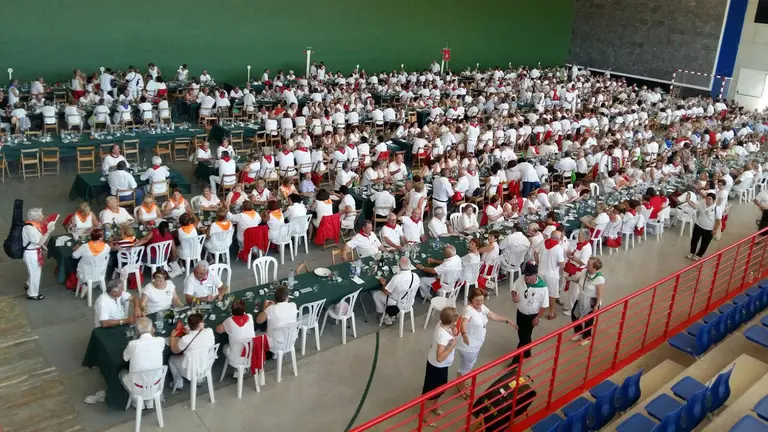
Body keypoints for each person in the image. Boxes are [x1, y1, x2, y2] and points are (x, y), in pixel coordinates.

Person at [455, 289, 517, 392]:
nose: (480, 303)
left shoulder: (482, 308)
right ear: (471, 299)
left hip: (474, 343)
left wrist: (507, 320)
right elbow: (463, 323)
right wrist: (464, 334)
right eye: (477, 300)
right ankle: (460, 388)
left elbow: (493, 316)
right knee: (466, 367)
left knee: (465, 366)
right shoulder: (469, 310)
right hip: (469, 345)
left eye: (481, 300)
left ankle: (461, 382)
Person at [421, 307, 459, 427]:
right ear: (451, 321)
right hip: (437, 366)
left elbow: (454, 332)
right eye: (455, 320)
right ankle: (425, 416)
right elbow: (440, 357)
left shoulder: (442, 324)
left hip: (442, 366)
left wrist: (453, 329)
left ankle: (434, 406)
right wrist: (452, 346)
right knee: (432, 392)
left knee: (440, 389)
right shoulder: (442, 336)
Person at [120, 317, 165, 408]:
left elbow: (125, 358)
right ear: (152, 329)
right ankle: (149, 401)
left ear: (137, 331)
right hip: (156, 385)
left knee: (122, 373)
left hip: (138, 388)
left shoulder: (133, 344)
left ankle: (136, 402)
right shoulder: (161, 340)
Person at [511, 263, 549, 361]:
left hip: (531, 316)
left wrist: (538, 318)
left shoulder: (543, 288)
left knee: (525, 337)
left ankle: (516, 360)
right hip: (520, 313)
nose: (526, 278)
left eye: (528, 276)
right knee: (521, 333)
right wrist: (514, 296)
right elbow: (514, 289)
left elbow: (544, 305)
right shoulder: (521, 279)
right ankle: (527, 353)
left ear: (534, 275)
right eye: (525, 275)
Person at [169, 312, 216, 390]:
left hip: (191, 369)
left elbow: (174, 350)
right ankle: (199, 379)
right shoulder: (209, 331)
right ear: (200, 324)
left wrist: (172, 337)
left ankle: (179, 383)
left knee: (171, 359)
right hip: (206, 364)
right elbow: (199, 335)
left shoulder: (185, 339)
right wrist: (190, 333)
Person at [22, 208, 57, 300]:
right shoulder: (30, 229)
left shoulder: (32, 225)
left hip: (33, 251)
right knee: (35, 274)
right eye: (40, 215)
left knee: (32, 271)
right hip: (32, 254)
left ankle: (28, 284)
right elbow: (39, 242)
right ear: (35, 218)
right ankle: (32, 294)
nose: (43, 216)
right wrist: (49, 231)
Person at [373, 257, 419, 325]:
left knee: (376, 294)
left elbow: (386, 292)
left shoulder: (397, 278)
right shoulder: (415, 276)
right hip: (410, 302)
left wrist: (383, 283)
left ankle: (385, 316)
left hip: (396, 304)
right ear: (410, 265)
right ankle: (393, 314)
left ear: (399, 266)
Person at [570, 258, 605, 346]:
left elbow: (599, 294)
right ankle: (579, 332)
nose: (587, 264)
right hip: (582, 296)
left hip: (591, 301)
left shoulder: (599, 278)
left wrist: (596, 305)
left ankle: (587, 337)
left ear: (595, 267)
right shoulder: (584, 272)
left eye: (589, 264)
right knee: (574, 314)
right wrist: (570, 279)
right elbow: (579, 281)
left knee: (588, 320)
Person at [255, 286, 298, 356]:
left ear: (275, 298)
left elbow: (258, 320)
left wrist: (265, 309)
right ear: (287, 297)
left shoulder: (271, 309)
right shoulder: (293, 305)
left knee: (257, 334)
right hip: (291, 340)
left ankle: (261, 358)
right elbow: (283, 310)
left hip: (276, 343)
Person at [534, 230, 565, 319]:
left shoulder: (543, 242)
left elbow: (535, 253)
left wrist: (538, 263)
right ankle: (551, 313)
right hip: (552, 275)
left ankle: (537, 309)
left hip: (541, 272)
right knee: (552, 294)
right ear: (558, 239)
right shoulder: (558, 248)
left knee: (540, 291)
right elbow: (561, 264)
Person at [687, 192, 721, 260]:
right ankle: (692, 252)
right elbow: (694, 206)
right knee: (694, 240)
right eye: (707, 198)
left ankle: (699, 255)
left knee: (705, 243)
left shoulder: (717, 209)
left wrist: (715, 229)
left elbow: (718, 220)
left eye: (709, 199)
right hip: (698, 225)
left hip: (709, 229)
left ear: (714, 200)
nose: (707, 200)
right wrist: (688, 200)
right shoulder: (702, 204)